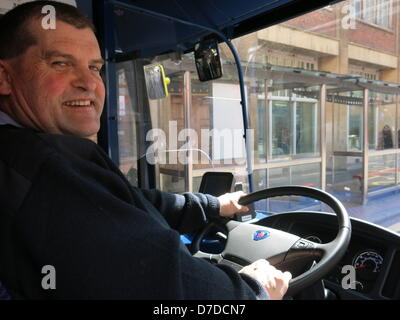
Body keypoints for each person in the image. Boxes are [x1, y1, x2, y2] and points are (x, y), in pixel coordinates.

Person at [0, 1, 291, 300]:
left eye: (95, 68)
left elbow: (125, 202)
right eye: (60, 63)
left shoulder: (37, 160)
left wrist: (212, 206)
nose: (89, 83)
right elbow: (160, 284)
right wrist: (254, 291)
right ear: (4, 77)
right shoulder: (42, 163)